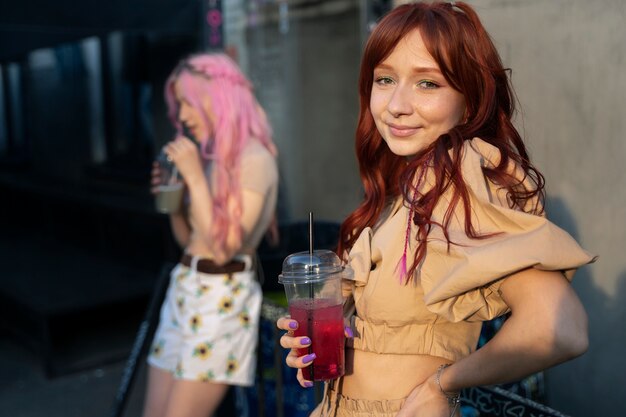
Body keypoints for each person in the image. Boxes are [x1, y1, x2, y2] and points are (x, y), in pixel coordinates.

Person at [277, 2, 596, 417]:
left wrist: (443, 383)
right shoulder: (403, 189)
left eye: (427, 84)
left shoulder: (464, 178)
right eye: (385, 79)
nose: (396, 104)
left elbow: (561, 329)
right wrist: (318, 340)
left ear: (470, 97)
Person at [143, 53, 279, 417]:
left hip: (221, 297)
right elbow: (189, 239)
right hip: (185, 286)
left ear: (216, 96)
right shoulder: (210, 158)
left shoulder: (255, 159)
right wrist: (174, 199)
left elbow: (225, 249)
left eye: (187, 102)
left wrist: (195, 179)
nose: (183, 116)